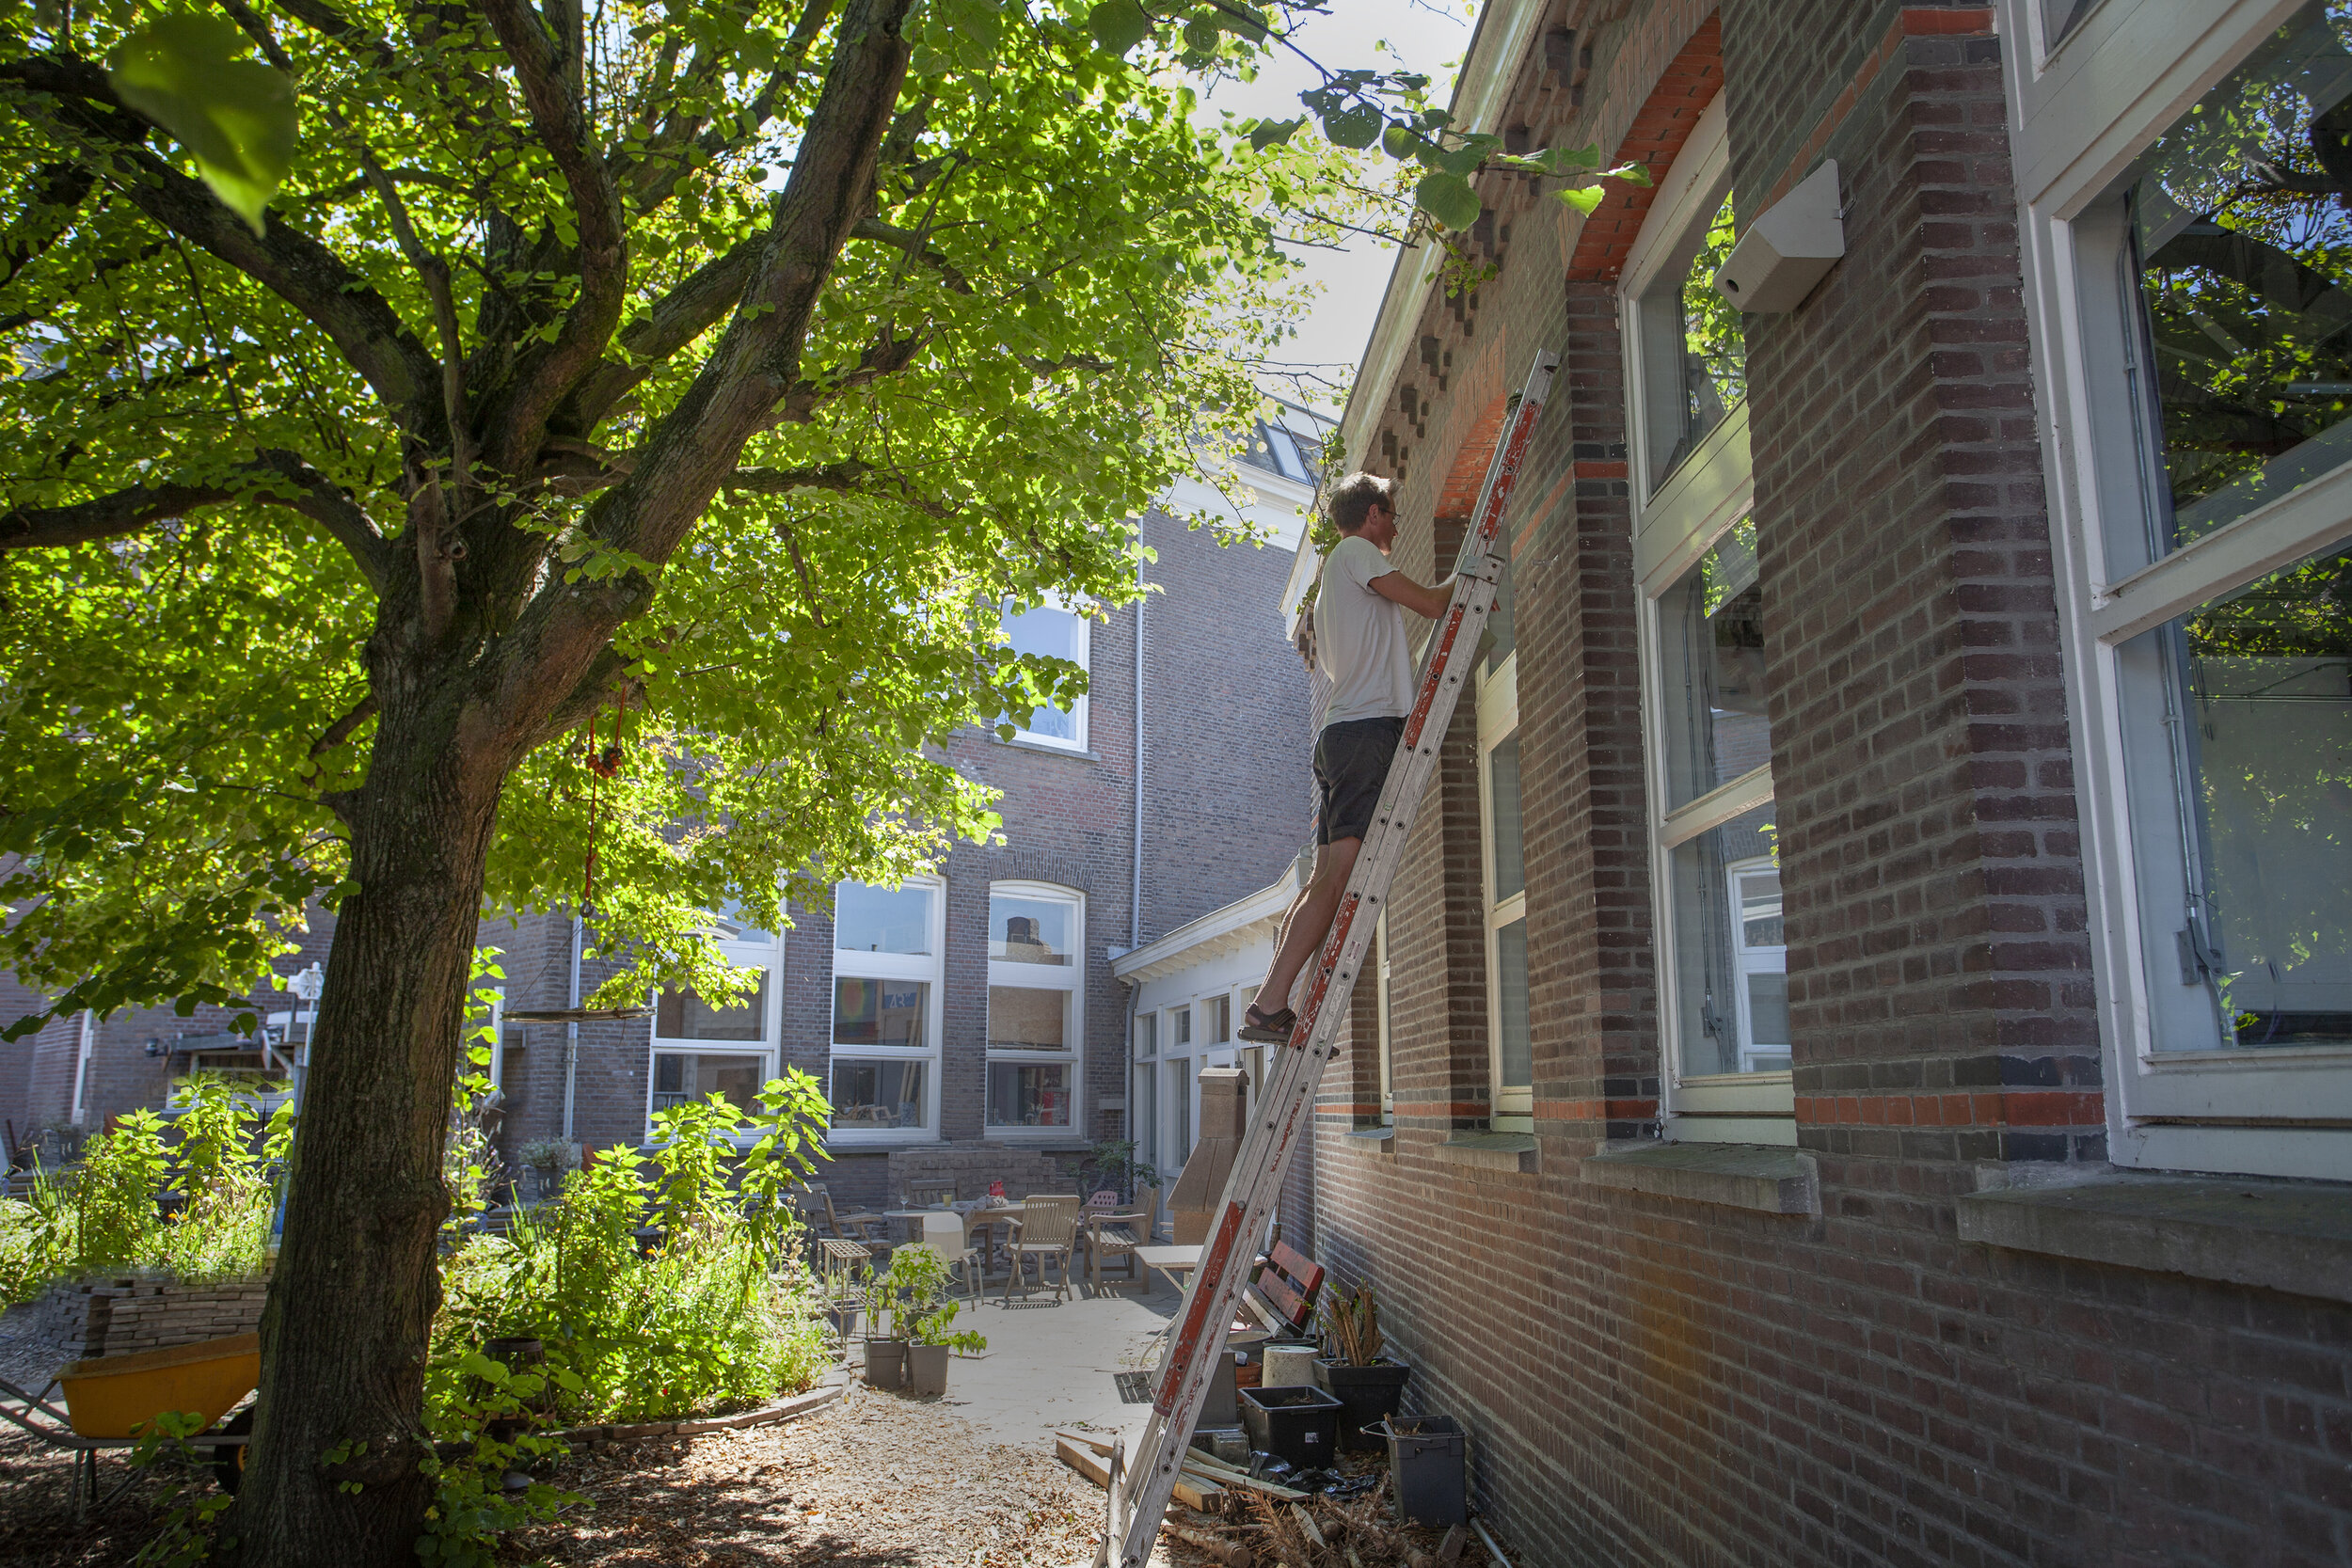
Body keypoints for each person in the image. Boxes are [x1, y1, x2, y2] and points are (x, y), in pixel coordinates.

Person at [1240, 472, 1453, 1045]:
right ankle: (1268, 1006)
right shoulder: (1356, 551)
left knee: (1320, 884)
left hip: (1341, 736)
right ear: (1375, 512)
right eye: (1394, 514)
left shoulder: (1333, 583)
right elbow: (1434, 604)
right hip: (1364, 735)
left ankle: (1271, 999)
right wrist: (1472, 573)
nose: (1398, 526)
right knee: (1336, 881)